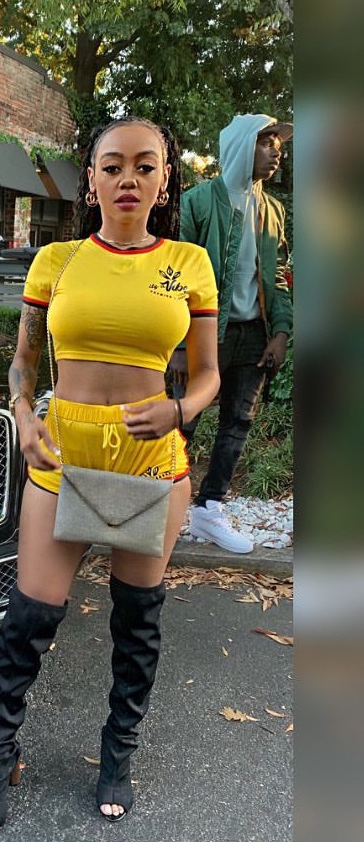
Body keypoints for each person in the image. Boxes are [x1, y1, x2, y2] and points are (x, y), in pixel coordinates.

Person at [0, 116, 220, 835]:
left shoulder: (190, 264)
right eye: (112, 166)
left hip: (151, 462)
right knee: (30, 618)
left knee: (137, 622)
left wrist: (179, 410)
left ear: (165, 180)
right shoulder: (56, 260)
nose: (127, 179)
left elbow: (208, 374)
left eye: (144, 166)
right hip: (63, 457)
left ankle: (118, 755)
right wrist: (23, 414)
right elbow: (23, 362)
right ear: (91, 180)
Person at [170, 114, 293, 554]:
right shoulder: (197, 202)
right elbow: (175, 277)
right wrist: (180, 344)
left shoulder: (273, 210)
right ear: (242, 145)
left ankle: (209, 509)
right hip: (203, 335)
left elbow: (277, 275)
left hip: (254, 334)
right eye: (267, 142)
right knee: (182, 420)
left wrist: (280, 331)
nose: (277, 152)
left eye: (279, 144)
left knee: (238, 422)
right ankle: (159, 504)